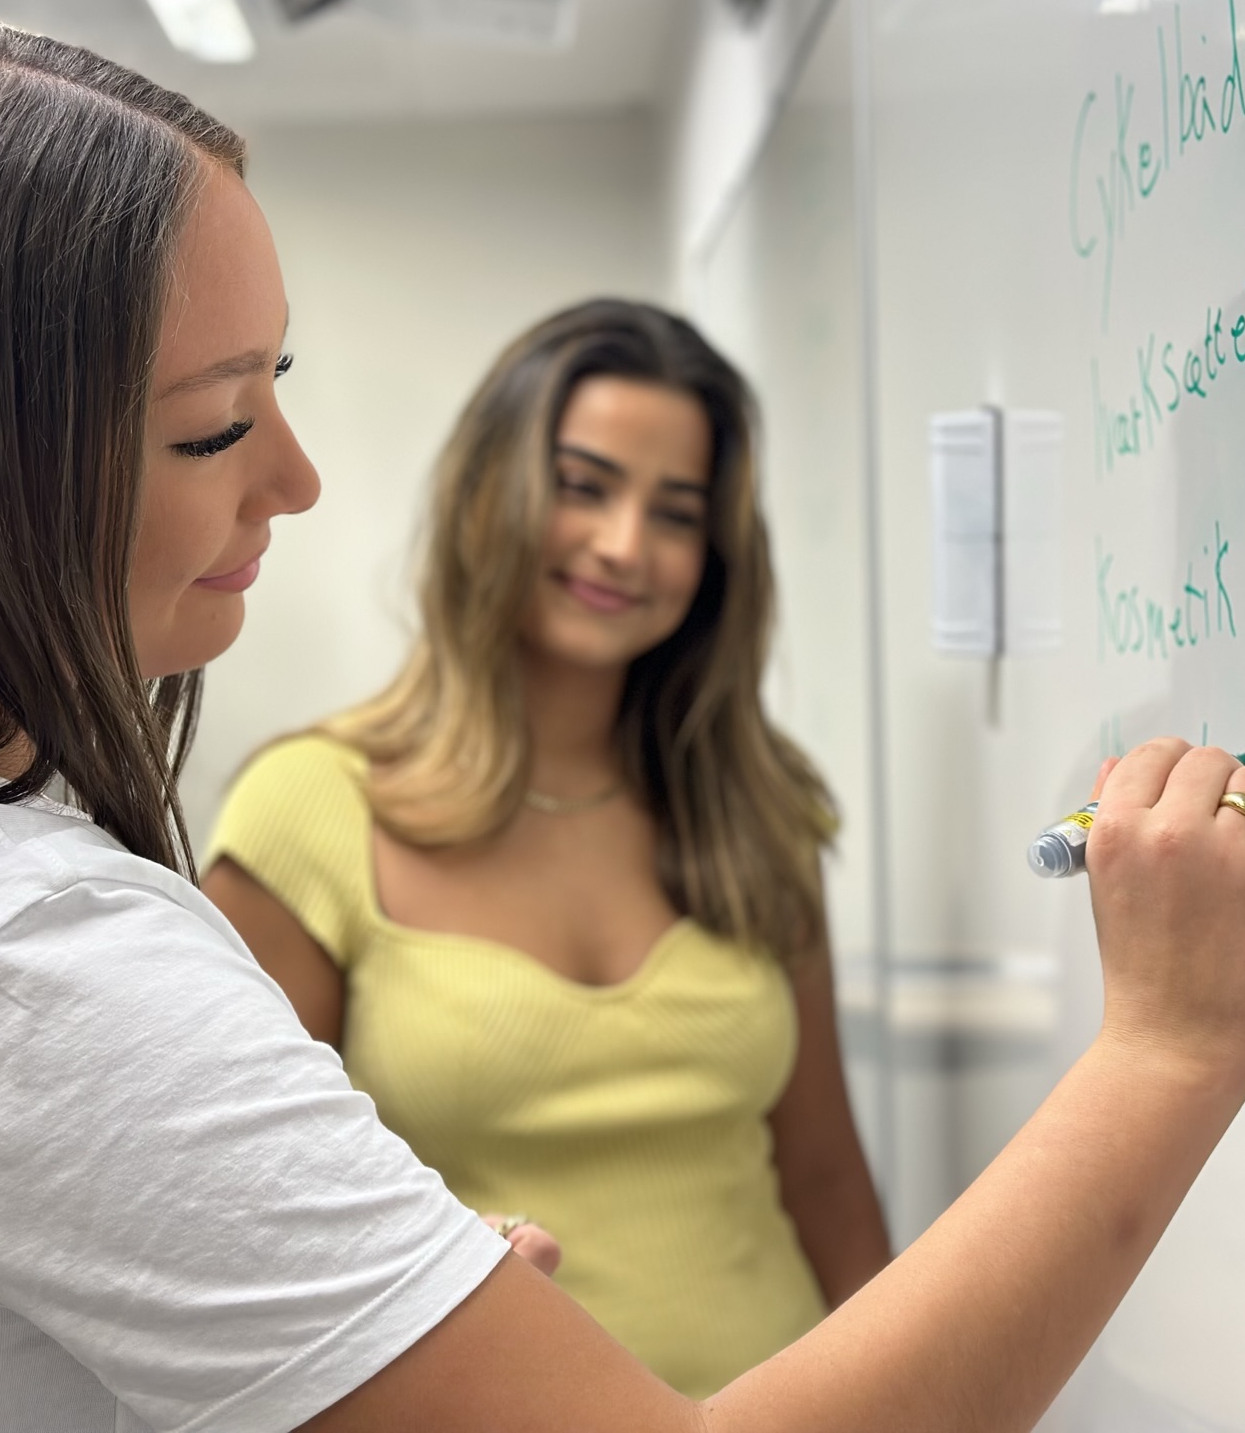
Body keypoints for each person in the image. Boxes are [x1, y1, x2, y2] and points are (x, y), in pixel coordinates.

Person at [0, 4, 1245, 1433]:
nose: (292, 477)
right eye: (209, 429)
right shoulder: (29, 959)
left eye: (282, 392)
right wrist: (1165, 1045)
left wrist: (363, 1315)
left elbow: (821, 1183)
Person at [203, 299, 891, 1396]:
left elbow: (824, 1181)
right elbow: (239, 1227)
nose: (624, 546)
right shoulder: (307, 812)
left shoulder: (760, 808)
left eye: (675, 512)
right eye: (582, 486)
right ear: (489, 491)